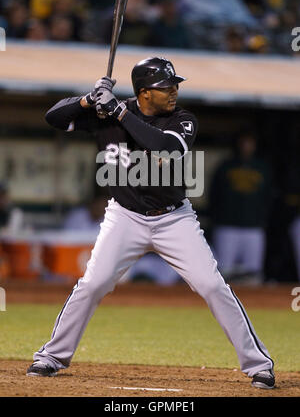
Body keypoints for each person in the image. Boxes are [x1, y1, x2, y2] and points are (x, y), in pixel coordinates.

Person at [26, 57, 275, 389]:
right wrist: (88, 99)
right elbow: (54, 117)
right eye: (165, 87)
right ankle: (52, 356)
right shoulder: (109, 113)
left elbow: (166, 147)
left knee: (213, 285)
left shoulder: (181, 118)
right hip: (124, 215)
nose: (174, 91)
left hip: (173, 218)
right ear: (144, 92)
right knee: (92, 284)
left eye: (175, 85)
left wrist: (119, 113)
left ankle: (259, 364)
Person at [209, 129, 272, 284]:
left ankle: (255, 306)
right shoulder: (226, 166)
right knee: (223, 273)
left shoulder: (262, 167)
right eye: (243, 143)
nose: (246, 146)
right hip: (227, 226)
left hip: (253, 227)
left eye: (250, 143)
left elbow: (268, 198)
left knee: (253, 274)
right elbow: (213, 196)